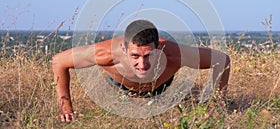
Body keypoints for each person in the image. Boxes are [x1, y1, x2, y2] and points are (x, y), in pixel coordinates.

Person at [52, 19, 230, 122]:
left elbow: (222, 60)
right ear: (124, 48)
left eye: (148, 56)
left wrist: (217, 103)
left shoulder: (176, 54)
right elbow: (59, 61)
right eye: (135, 56)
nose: (142, 64)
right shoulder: (104, 53)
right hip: (120, 85)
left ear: (159, 47)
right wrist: (66, 108)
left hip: (161, 85)